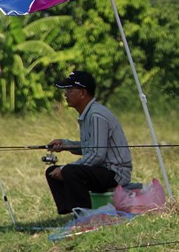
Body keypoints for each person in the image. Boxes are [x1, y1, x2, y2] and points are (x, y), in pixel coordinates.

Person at [45, 70, 133, 215]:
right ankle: (72, 213)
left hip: (115, 173)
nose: (65, 94)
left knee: (69, 171)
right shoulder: (88, 114)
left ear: (82, 93)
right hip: (101, 170)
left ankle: (85, 216)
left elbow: (97, 154)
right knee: (51, 172)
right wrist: (65, 144)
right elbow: (90, 147)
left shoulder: (96, 115)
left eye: (69, 90)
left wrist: (65, 169)